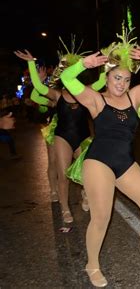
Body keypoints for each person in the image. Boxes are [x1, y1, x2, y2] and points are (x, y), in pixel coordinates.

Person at [60, 30, 140, 286]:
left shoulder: (134, 97)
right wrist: (83, 64)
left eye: (127, 80)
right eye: (117, 78)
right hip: (98, 162)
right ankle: (92, 265)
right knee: (101, 217)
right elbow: (66, 78)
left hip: (126, 162)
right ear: (106, 78)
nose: (122, 84)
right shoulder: (95, 99)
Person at [14, 45, 103, 222]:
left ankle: (86, 193)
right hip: (63, 137)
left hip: (83, 137)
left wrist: (103, 64)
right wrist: (32, 64)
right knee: (63, 174)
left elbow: (102, 81)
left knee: (87, 173)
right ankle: (64, 208)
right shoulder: (56, 95)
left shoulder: (86, 92)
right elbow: (38, 87)